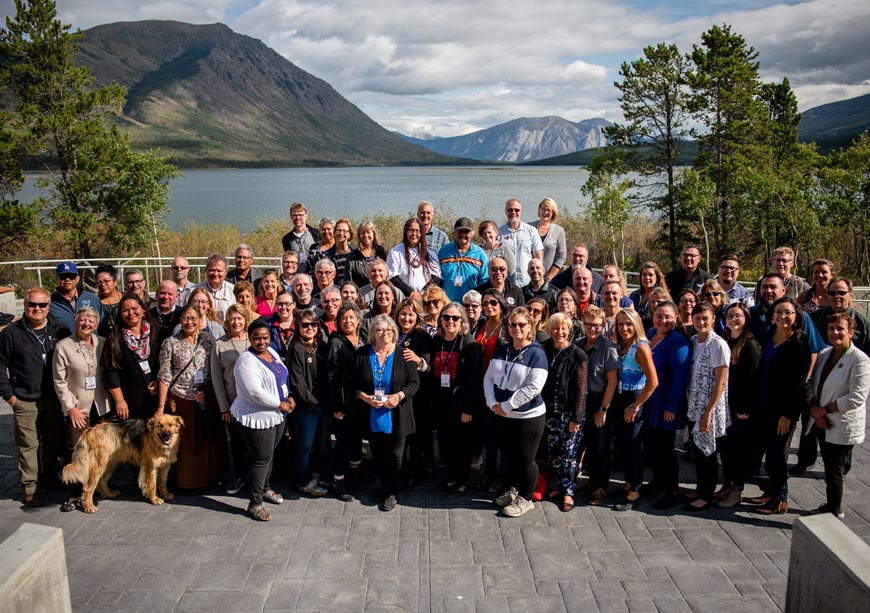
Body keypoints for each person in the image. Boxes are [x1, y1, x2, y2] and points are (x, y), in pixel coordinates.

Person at [0, 287, 71, 507]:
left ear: (48, 306)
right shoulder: (11, 333)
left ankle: (50, 478)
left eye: (42, 305)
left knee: (52, 441)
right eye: (32, 304)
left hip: (53, 398)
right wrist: (9, 395)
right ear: (26, 306)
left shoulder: (59, 329)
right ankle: (30, 488)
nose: (37, 309)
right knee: (28, 445)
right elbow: (0, 365)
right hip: (24, 398)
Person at [744, 297, 810, 515]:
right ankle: (770, 492)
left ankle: (780, 498)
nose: (783, 316)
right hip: (763, 405)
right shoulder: (766, 337)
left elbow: (799, 385)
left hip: (782, 410)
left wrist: (788, 415)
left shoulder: (799, 344)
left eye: (788, 313)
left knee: (777, 454)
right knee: (768, 452)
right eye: (779, 312)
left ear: (796, 316)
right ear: (771, 316)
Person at [350, 314, 420, 511]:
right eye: (380, 330)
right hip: (372, 414)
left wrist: (399, 396)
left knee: (395, 456)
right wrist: (365, 397)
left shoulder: (403, 354)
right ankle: (385, 486)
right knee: (378, 454)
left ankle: (392, 491)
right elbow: (353, 384)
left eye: (388, 330)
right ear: (373, 333)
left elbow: (415, 383)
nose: (384, 333)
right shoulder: (362, 354)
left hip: (397, 415)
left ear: (394, 332)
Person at [484, 307, 548, 517]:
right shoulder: (504, 349)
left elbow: (533, 388)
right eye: (513, 324)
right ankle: (512, 489)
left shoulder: (536, 354)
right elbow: (489, 378)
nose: (517, 328)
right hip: (502, 415)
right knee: (509, 455)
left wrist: (506, 406)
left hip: (527, 417)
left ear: (530, 327)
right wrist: (492, 402)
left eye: (522, 324)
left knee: (525, 458)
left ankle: (526, 497)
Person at [806, 313, 870, 519]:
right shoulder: (825, 353)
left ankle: (835, 510)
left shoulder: (860, 360)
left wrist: (824, 411)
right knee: (828, 466)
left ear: (851, 332)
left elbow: (856, 397)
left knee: (835, 470)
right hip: (822, 420)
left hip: (841, 423)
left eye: (840, 329)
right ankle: (831, 504)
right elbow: (812, 384)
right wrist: (815, 409)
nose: (835, 333)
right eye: (831, 329)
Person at [229, 318, 293, 521]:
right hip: (256, 417)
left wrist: (289, 395)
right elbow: (254, 392)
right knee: (260, 459)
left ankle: (265, 488)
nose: (262, 342)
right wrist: (279, 403)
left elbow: (282, 375)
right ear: (250, 338)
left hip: (276, 415)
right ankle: (255, 503)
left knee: (269, 455)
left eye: (265, 337)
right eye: (257, 338)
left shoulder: (271, 352)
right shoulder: (246, 361)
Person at [157, 305, 226, 492]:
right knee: (187, 441)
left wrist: (209, 390)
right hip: (181, 396)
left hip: (206, 395)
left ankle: (210, 478)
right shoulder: (170, 343)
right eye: (186, 318)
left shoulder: (209, 340)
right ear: (180, 320)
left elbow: (215, 368)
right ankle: (189, 482)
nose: (189, 322)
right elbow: (164, 375)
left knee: (207, 437)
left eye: (193, 318)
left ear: (200, 319)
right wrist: (161, 406)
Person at [52, 306, 112, 512]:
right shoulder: (64, 346)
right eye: (82, 320)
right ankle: (75, 494)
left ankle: (97, 488)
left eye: (91, 321)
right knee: (77, 451)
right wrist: (71, 408)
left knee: (100, 452)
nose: (87, 324)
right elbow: (59, 381)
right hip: (79, 408)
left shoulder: (102, 343)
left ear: (96, 324)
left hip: (101, 405)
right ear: (76, 322)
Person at [430, 302, 484, 499]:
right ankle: (452, 478)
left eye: (455, 318)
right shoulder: (436, 341)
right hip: (441, 402)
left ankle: (462, 481)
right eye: (446, 317)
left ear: (462, 321)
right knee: (447, 443)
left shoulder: (469, 344)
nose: (450, 321)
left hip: (461, 405)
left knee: (462, 445)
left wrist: (468, 409)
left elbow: (474, 380)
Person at [643, 301, 691, 510]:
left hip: (666, 403)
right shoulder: (651, 333)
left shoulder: (677, 341)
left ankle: (672, 490)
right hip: (651, 401)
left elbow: (681, 377)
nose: (663, 320)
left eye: (668, 317)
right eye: (659, 316)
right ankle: (658, 482)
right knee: (653, 445)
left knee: (666, 448)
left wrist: (671, 406)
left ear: (676, 318)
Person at [685, 302, 731, 512]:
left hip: (709, 406)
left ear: (713, 319)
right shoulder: (694, 340)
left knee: (708, 451)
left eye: (705, 318)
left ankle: (706, 494)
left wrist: (709, 412)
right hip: (693, 403)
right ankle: (701, 486)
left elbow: (722, 381)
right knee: (697, 448)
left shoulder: (718, 345)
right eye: (697, 318)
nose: (701, 322)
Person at [611, 309, 658, 511]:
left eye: (628, 324)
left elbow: (653, 381)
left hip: (634, 399)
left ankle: (635, 491)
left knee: (634, 446)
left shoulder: (641, 348)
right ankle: (629, 483)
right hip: (621, 399)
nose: (624, 328)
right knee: (625, 443)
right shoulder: (622, 346)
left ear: (636, 325)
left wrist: (635, 405)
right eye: (621, 324)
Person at [541, 313, 588, 512]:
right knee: (554, 452)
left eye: (564, 329)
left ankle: (568, 491)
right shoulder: (545, 349)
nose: (560, 332)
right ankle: (558, 487)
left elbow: (581, 390)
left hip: (569, 413)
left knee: (569, 453)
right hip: (549, 411)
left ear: (569, 330)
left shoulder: (578, 355)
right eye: (556, 328)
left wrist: (576, 417)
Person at [718, 302, 762, 509]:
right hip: (727, 405)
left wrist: (745, 408)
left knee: (739, 451)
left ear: (746, 319)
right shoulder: (728, 341)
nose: (733, 320)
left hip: (741, 408)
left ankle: (737, 491)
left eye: (738, 316)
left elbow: (752, 380)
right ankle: (729, 484)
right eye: (730, 316)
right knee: (727, 450)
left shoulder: (750, 345)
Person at [323, 303, 367, 501]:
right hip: (344, 402)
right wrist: (336, 407)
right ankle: (337, 480)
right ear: (338, 322)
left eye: (351, 317)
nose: (348, 321)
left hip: (362, 402)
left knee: (357, 440)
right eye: (344, 318)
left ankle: (355, 473)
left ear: (358, 320)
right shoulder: (335, 343)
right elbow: (329, 376)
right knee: (342, 443)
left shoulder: (364, 340)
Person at [577, 305, 620, 506]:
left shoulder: (608, 349)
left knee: (601, 446)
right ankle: (592, 482)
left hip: (600, 400)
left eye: (596, 325)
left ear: (603, 326)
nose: (592, 328)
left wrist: (603, 409)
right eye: (588, 325)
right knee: (588, 444)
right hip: (582, 400)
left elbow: (612, 382)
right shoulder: (578, 344)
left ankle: (601, 488)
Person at [210, 303, 255, 496]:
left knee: (253, 444)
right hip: (233, 404)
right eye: (232, 318)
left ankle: (256, 478)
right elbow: (217, 379)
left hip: (254, 405)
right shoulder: (220, 345)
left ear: (246, 320)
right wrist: (224, 408)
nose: (236, 322)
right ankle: (239, 475)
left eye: (239, 318)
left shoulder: (254, 341)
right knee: (236, 444)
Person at [287, 309, 329, 497]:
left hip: (319, 404)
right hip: (307, 407)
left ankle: (312, 475)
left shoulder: (317, 345)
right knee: (304, 446)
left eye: (313, 324)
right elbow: (297, 381)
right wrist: (312, 403)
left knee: (315, 445)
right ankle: (302, 481)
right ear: (298, 327)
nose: (310, 328)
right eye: (305, 325)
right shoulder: (296, 347)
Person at [102, 293, 160, 421]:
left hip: (154, 397)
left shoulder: (156, 332)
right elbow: (111, 372)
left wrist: (157, 381)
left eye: (135, 309)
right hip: (129, 400)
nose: (131, 313)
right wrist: (120, 401)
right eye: (126, 310)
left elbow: (163, 364)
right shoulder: (115, 337)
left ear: (143, 309)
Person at [394, 297, 432, 483]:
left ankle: (416, 470)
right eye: (403, 313)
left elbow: (428, 367)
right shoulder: (392, 333)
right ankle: (400, 470)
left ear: (417, 317)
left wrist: (418, 360)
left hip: (417, 394)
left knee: (416, 435)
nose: (406, 318)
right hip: (396, 393)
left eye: (410, 314)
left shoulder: (422, 336)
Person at [474, 289, 509, 488]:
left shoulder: (507, 327)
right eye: (485, 303)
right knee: (487, 432)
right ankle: (489, 471)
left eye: (493, 303)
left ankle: (502, 475)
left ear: (501, 305)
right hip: (481, 384)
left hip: (499, 386)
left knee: (500, 434)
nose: (488, 307)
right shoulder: (481, 324)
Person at [438, 217, 489, 302]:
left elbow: (484, 280)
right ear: (454, 232)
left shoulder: (480, 253)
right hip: (447, 303)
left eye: (466, 232)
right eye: (459, 231)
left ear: (472, 233)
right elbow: (438, 278)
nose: (462, 235)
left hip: (470, 306)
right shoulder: (444, 251)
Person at [387, 218, 442, 296]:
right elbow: (393, 278)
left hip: (426, 298)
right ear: (406, 232)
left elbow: (437, 277)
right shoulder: (395, 252)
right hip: (404, 298)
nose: (414, 233)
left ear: (422, 233)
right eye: (411, 230)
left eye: (417, 231)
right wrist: (411, 293)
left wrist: (423, 293)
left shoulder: (430, 253)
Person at [499, 198, 543, 288]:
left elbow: (538, 258)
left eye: (516, 210)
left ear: (521, 211)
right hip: (506, 284)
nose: (513, 212)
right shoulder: (498, 233)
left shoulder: (532, 231)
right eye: (510, 210)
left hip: (528, 283)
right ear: (505, 211)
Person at [50, 261, 102, 334]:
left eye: (71, 276)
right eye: (63, 276)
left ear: (77, 279)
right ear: (57, 279)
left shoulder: (92, 299)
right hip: (63, 344)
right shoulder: (49, 302)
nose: (67, 279)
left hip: (91, 344)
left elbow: (102, 324)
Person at [530, 197, 567, 281]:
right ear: (539, 210)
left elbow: (561, 256)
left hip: (548, 279)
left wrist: (549, 277)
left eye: (548, 210)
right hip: (528, 276)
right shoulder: (529, 227)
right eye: (543, 209)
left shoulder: (559, 231)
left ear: (553, 213)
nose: (545, 212)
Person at [281, 202, 321, 273]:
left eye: (300, 215)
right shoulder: (287, 239)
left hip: (316, 275)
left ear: (306, 216)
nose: (298, 218)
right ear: (291, 217)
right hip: (297, 277)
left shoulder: (316, 233)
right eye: (295, 215)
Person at [196, 254, 235, 323]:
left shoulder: (233, 290)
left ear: (225, 272)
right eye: (212, 270)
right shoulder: (195, 291)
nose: (215, 274)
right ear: (206, 270)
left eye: (219, 271)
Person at [347, 220, 388, 287]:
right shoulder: (352, 257)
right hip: (361, 294)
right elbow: (349, 281)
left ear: (373, 234)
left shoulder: (382, 252)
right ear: (359, 235)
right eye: (362, 233)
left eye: (368, 232)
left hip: (381, 293)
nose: (365, 235)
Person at [629, 261, 667, 328]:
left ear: (656, 277)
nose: (647, 278)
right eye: (644, 275)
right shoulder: (634, 295)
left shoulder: (661, 297)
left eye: (650, 275)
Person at [266, 293, 296, 361]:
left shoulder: (301, 325)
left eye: (287, 304)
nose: (283, 307)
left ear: (294, 305)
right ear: (275, 305)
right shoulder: (266, 326)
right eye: (280, 304)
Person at [150, 280, 181, 346]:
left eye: (170, 294)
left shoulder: (183, 314)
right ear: (156, 294)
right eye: (162, 293)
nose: (166, 297)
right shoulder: (148, 315)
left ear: (176, 296)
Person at [95, 264, 123, 334]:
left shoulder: (127, 298)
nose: (103, 284)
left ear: (115, 282)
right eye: (99, 282)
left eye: (106, 281)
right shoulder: (95, 302)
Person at [332, 218, 357, 285]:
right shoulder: (328, 255)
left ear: (349, 235)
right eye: (339, 230)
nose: (341, 233)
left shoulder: (357, 254)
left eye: (345, 231)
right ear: (334, 233)